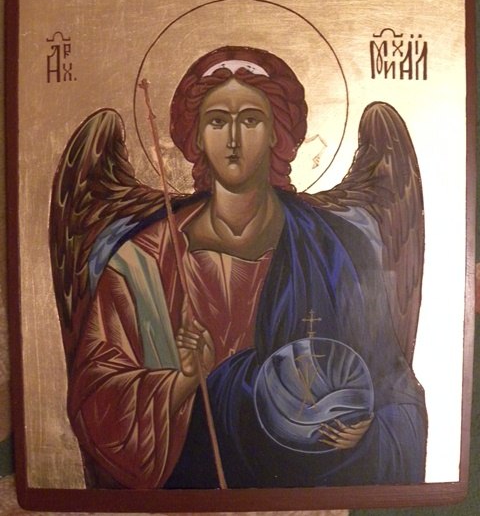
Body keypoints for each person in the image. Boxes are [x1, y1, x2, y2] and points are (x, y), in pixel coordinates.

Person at [55, 46, 427, 489]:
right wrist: (183, 383)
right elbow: (96, 397)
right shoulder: (144, 260)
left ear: (276, 134)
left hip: (303, 480)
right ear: (196, 136)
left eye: (250, 120)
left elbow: (392, 380)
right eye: (217, 121)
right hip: (190, 483)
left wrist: (371, 428)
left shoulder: (335, 248)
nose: (233, 139)